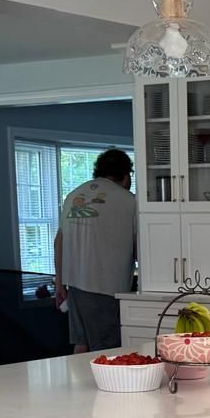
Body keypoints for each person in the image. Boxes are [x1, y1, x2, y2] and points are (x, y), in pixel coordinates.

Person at [53, 149, 136, 353]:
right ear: (126, 175)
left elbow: (59, 240)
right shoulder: (128, 201)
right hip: (106, 287)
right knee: (106, 349)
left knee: (81, 343)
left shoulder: (73, 196)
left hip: (75, 285)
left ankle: (77, 386)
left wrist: (59, 281)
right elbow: (140, 247)